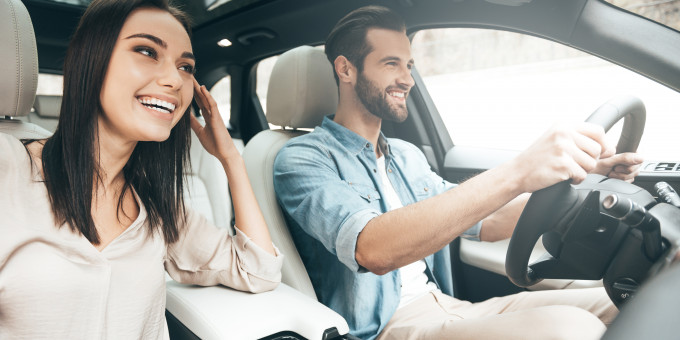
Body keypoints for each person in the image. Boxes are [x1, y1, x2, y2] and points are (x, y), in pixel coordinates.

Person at [273, 5, 643, 340]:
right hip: (387, 329)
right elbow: (374, 249)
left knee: (633, 297)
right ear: (346, 69)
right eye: (391, 64)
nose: (407, 79)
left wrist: (585, 176)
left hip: (450, 307)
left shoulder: (405, 155)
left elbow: (490, 221)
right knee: (573, 330)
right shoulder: (301, 160)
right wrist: (519, 170)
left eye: (409, 66)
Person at [0, 0, 282, 338]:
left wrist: (230, 160)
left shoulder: (159, 207)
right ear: (93, 59)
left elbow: (259, 270)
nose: (174, 80)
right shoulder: (9, 170)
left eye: (186, 67)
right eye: (147, 51)